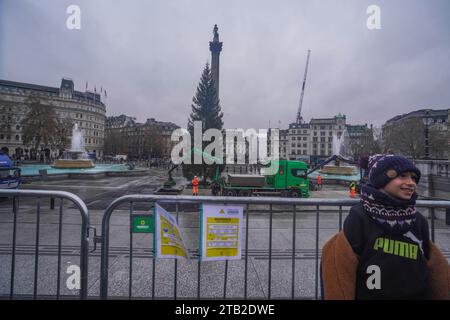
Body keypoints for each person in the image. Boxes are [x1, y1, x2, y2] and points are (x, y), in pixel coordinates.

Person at [321, 154, 450, 300]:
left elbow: (434, 270)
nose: (411, 183)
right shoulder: (359, 217)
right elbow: (342, 269)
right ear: (381, 179)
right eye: (402, 176)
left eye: (414, 178)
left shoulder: (418, 221)